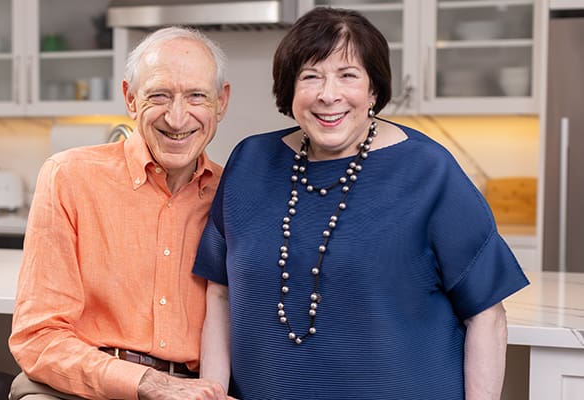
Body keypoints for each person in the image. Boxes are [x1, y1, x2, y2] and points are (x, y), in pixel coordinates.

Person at [194, 7, 529, 400]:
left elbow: (487, 315)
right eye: (310, 76)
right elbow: (220, 294)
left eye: (347, 75)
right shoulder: (250, 162)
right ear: (290, 91)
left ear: (374, 89)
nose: (328, 94)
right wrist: (212, 393)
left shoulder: (428, 170)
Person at [8, 26, 232, 400]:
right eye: (159, 95)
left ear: (221, 102)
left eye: (196, 96)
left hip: (192, 391)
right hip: (78, 389)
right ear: (130, 98)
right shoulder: (69, 177)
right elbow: (38, 337)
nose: (177, 118)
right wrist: (149, 384)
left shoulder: (232, 192)